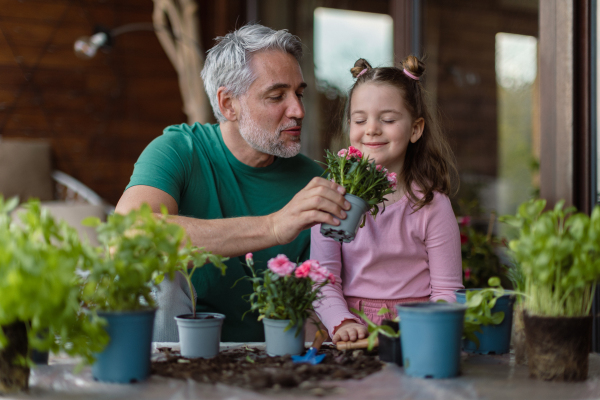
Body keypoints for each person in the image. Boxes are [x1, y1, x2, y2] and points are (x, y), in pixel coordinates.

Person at [115, 24, 351, 342]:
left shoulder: (314, 183)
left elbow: (323, 294)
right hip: (180, 354)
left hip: (273, 361)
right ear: (228, 104)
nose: (298, 110)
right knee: (152, 262)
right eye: (276, 96)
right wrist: (273, 227)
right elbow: (129, 231)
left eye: (299, 93)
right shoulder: (180, 149)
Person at [311, 56, 464, 344]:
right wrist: (340, 321)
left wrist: (429, 331)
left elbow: (446, 291)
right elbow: (322, 278)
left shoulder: (432, 205)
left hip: (416, 333)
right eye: (360, 119)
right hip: (351, 334)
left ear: (416, 129)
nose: (371, 129)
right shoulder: (333, 198)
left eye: (388, 119)